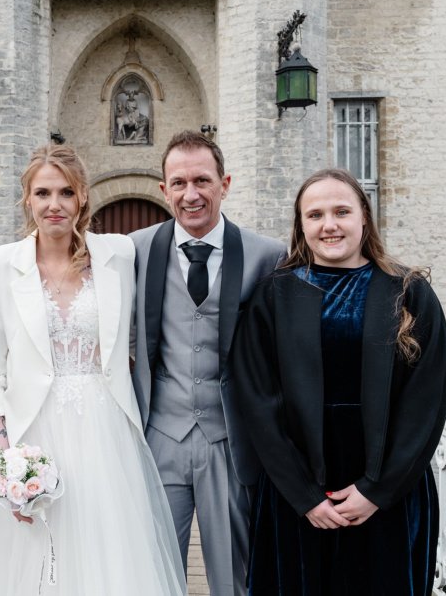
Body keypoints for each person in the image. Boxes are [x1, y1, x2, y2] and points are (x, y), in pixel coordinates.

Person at [0, 144, 186, 595]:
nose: (55, 204)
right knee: (32, 559)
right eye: (43, 193)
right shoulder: (1, 264)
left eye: (66, 192)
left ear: (83, 196)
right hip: (32, 431)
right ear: (27, 199)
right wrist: (7, 462)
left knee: (109, 555)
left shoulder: (119, 254)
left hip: (106, 432)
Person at [231, 168, 446, 595]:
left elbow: (426, 399)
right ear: (301, 226)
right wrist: (305, 496)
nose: (329, 225)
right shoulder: (273, 296)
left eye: (341, 212)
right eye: (315, 215)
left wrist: (377, 490)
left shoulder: (408, 292)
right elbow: (258, 402)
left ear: (363, 217)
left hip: (388, 491)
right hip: (297, 494)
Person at [130, 130, 285, 596]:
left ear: (225, 184)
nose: (190, 194)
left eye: (202, 180)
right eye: (178, 183)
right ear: (164, 190)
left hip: (230, 441)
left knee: (235, 577)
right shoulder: (133, 250)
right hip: (160, 436)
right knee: (154, 575)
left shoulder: (267, 255)